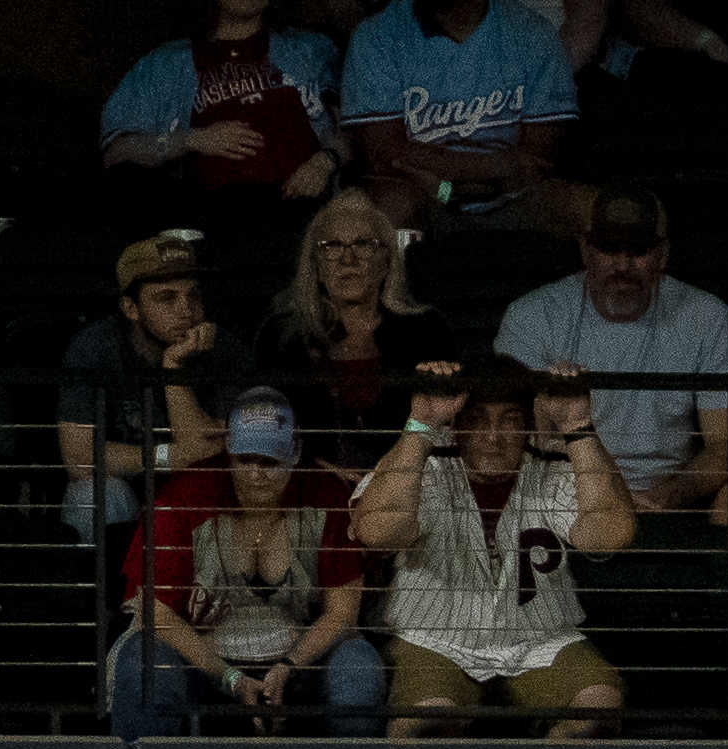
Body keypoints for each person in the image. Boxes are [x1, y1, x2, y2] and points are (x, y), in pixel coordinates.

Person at [491, 183, 728, 542]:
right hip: (566, 493)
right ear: (585, 250)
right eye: (609, 249)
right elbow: (519, 436)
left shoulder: (706, 316)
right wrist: (599, 496)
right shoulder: (532, 315)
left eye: (639, 250)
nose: (623, 265)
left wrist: (670, 495)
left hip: (669, 497)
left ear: (663, 254)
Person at [362, 351, 632, 731]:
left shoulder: (553, 466)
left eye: (510, 420)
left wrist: (577, 426)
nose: (493, 437)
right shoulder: (424, 462)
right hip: (435, 639)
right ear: (457, 426)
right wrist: (421, 425)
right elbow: (378, 532)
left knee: (598, 709)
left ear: (528, 427)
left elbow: (608, 536)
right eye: (477, 420)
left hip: (540, 639)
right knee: (427, 722)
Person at [126, 387, 388, 730]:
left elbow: (342, 614)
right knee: (141, 663)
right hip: (202, 658)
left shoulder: (326, 496)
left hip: (301, 658)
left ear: (295, 453)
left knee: (360, 667)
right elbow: (157, 616)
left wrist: (288, 666)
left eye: (269, 462)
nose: (255, 473)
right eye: (244, 460)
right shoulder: (184, 496)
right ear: (228, 451)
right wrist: (230, 677)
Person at [59, 232, 265, 547]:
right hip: (127, 491)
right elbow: (79, 458)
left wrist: (174, 366)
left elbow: (207, 455)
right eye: (167, 298)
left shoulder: (223, 348)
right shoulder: (96, 347)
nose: (186, 310)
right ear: (131, 308)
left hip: (197, 494)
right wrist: (169, 456)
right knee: (95, 493)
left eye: (193, 295)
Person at [340, 0, 583, 235]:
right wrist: (492, 168)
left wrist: (455, 173)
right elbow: (386, 155)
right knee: (390, 206)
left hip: (514, 195)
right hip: (427, 195)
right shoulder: (378, 35)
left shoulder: (530, 31)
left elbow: (539, 158)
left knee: (583, 205)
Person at [99, 0, 340, 205]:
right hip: (209, 214)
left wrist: (325, 162)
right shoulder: (165, 64)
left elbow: (348, 130)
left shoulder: (309, 50)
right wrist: (191, 140)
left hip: (305, 209)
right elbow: (117, 151)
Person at [268, 181, 434, 473]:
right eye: (332, 246)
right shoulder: (281, 336)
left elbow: (440, 423)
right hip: (310, 481)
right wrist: (316, 467)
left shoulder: (426, 331)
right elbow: (265, 427)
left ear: (386, 262)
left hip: (408, 476)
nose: (348, 259)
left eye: (363, 244)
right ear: (316, 267)